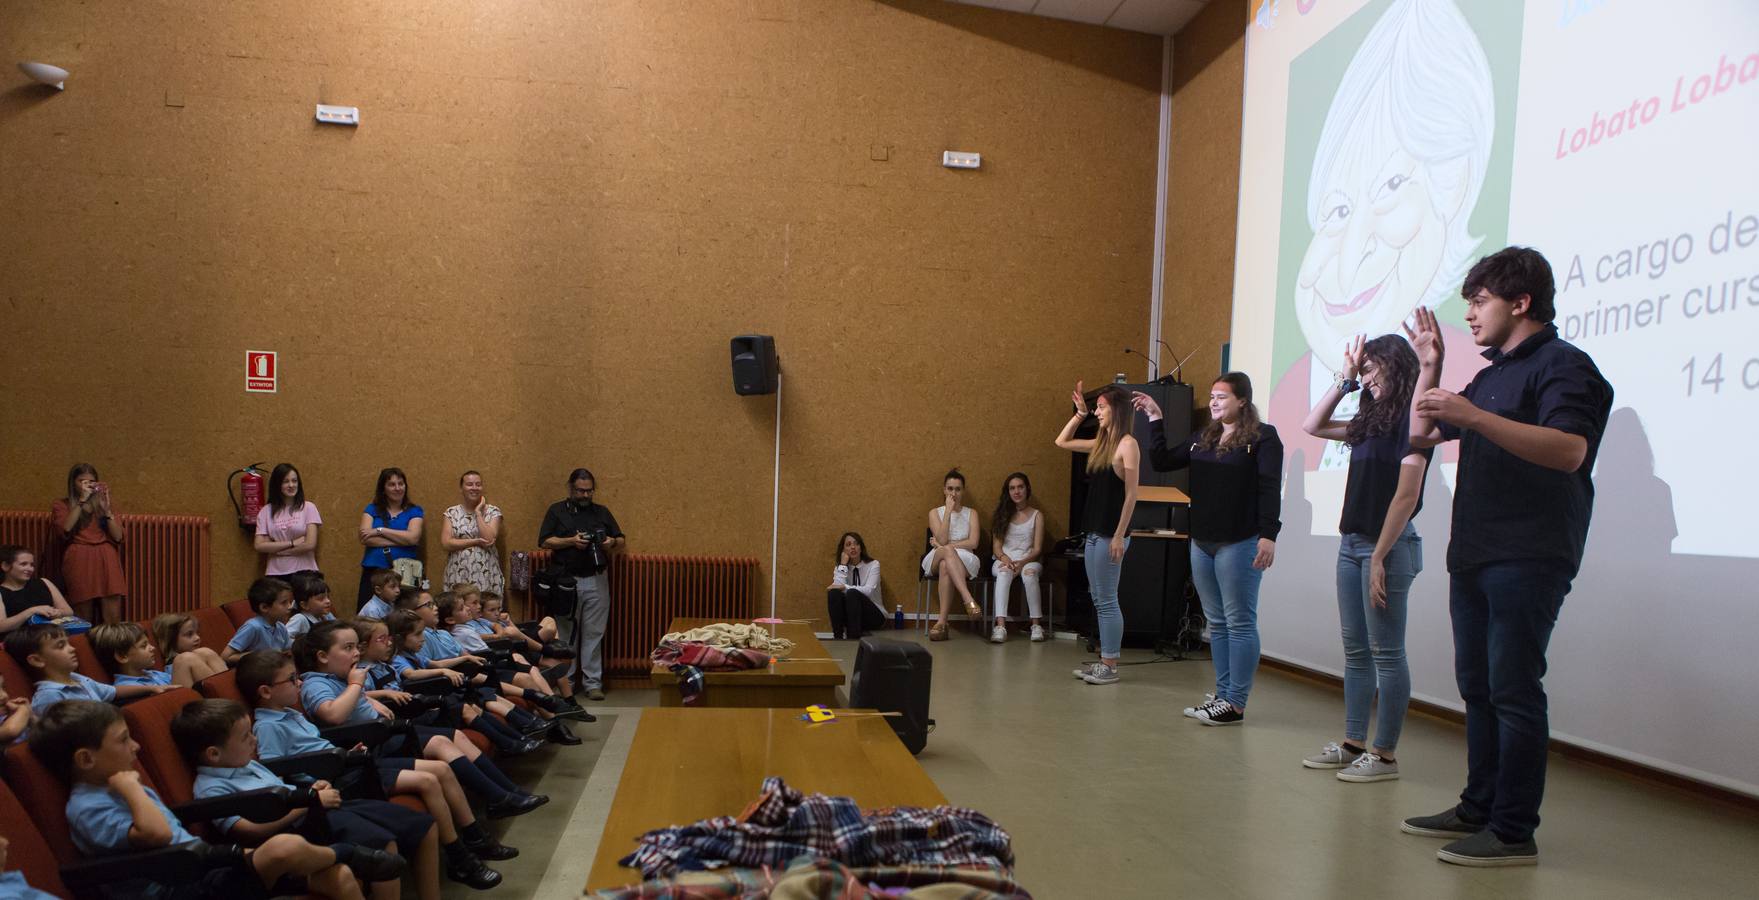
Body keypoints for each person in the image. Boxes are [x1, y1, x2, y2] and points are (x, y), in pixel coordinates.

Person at [1401, 246, 1612, 867]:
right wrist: (1431, 368)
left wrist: (1474, 417)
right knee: (1479, 686)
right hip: (1476, 550)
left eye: (1480, 300)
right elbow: (1419, 435)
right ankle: (1479, 806)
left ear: (1521, 303)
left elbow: (1569, 449)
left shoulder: (1566, 366)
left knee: (1514, 688)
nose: (1469, 313)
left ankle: (1514, 830)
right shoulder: (1491, 376)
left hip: (1530, 551)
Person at [29, 699, 370, 899]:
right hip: (173, 888)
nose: (136, 748)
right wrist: (132, 789)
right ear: (86, 760)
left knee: (339, 878)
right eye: (122, 741)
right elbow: (158, 835)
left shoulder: (114, 784)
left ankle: (343, 858)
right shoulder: (87, 807)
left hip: (198, 866)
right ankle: (349, 851)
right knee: (285, 849)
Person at [236, 651, 506, 889]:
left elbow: (313, 744)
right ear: (265, 691)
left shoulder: (289, 713)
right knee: (427, 778)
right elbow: (277, 770)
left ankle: (467, 845)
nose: (300, 683)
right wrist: (329, 766)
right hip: (334, 778)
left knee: (438, 770)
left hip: (347, 764)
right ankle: (460, 857)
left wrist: (346, 752)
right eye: (292, 679)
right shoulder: (268, 727)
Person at [1300, 334, 1430, 782]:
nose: (1369, 377)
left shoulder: (1415, 419)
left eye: (1374, 369)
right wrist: (1347, 378)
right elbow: (1313, 425)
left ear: (1398, 366)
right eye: (1366, 370)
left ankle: (1385, 756)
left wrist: (1379, 555)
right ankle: (1354, 743)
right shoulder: (1371, 417)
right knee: (1356, 651)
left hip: (1389, 547)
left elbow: (1406, 495)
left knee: (1387, 653)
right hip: (1351, 543)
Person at [173, 698, 434, 900]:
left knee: (421, 824)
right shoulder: (210, 790)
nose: (254, 741)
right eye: (245, 737)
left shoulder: (246, 764)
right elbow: (249, 831)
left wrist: (311, 789)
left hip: (314, 813)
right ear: (214, 754)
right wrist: (306, 802)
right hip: (297, 830)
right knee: (383, 844)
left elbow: (284, 788)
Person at [1136, 373, 1283, 722]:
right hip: (1202, 540)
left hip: (1240, 540)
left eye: (1221, 396)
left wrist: (1269, 534)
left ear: (1242, 401)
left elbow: (1268, 487)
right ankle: (1222, 695)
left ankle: (1236, 702)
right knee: (1216, 622)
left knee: (1240, 622)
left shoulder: (1264, 437)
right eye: (1212, 396)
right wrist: (1156, 418)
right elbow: (1162, 462)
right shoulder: (1204, 436)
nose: (1214, 402)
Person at [1055, 383, 1140, 685]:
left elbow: (1131, 495)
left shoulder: (1127, 444)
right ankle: (1105, 660)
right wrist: (1079, 415)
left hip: (1110, 534)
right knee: (1097, 596)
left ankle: (1110, 663)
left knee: (1106, 599)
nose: (1097, 412)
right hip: (1094, 532)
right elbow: (1062, 442)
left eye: (1102, 407)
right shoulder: (1103, 444)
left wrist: (1119, 535)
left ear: (1117, 409)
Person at [538, 467, 624, 701]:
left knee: (594, 633)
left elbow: (620, 538)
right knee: (566, 634)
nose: (585, 495)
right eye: (580, 491)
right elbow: (545, 541)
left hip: (597, 578)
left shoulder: (601, 512)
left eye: (589, 491)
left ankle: (593, 683)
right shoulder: (556, 511)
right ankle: (568, 681)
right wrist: (570, 541)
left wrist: (610, 542)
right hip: (567, 581)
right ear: (571, 488)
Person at [7, 622, 171, 714]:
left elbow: (114, 691)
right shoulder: (49, 696)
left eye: (69, 643)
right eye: (61, 646)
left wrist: (152, 688)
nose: (72, 649)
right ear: (37, 660)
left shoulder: (78, 679)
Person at [51, 463, 126, 624]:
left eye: (91, 481)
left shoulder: (105, 503)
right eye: (82, 481)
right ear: (73, 483)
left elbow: (118, 536)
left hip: (106, 555)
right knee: (82, 616)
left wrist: (107, 511)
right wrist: (81, 500)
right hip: (79, 554)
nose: (87, 485)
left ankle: (112, 647)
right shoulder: (62, 504)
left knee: (113, 616)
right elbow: (66, 528)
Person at [920, 469, 981, 642]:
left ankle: (941, 623)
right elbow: (942, 538)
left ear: (963, 491)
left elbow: (973, 543)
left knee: (946, 563)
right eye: (950, 488)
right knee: (946, 553)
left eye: (958, 489)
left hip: (965, 558)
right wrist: (947, 511)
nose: (954, 493)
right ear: (944, 490)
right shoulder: (934, 513)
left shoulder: (972, 513)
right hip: (937, 555)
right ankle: (968, 598)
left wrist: (947, 546)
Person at [989, 472, 1046, 643]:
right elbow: (997, 547)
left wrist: (1022, 562)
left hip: (1030, 560)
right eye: (1012, 488)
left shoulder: (1037, 515)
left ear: (1027, 489)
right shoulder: (1001, 514)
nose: (1016, 491)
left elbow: (1037, 549)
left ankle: (1036, 625)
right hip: (1004, 558)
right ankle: (1000, 626)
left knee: (1029, 574)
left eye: (1020, 487)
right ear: (1008, 491)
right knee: (1004, 572)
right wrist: (1005, 558)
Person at [357, 468, 424, 607]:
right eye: (392, 484)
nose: (397, 488)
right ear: (383, 488)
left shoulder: (414, 510)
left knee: (403, 617)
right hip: (374, 572)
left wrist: (380, 530)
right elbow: (365, 537)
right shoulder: (372, 509)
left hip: (405, 573)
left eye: (401, 483)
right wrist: (401, 539)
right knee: (369, 620)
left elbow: (413, 538)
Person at [440, 471, 504, 595]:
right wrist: (475, 541)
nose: (474, 488)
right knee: (457, 609)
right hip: (458, 573)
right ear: (461, 488)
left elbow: (489, 539)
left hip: (486, 573)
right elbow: (446, 543)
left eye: (478, 484)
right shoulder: (451, 512)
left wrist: (478, 512)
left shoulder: (493, 511)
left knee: (486, 610)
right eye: (469, 484)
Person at [254, 463, 322, 579]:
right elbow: (259, 545)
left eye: (294, 481)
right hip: (275, 573)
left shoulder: (308, 507)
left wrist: (279, 550)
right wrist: (292, 543)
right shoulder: (266, 511)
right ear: (277, 484)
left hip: (305, 572)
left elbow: (310, 544)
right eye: (286, 481)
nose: (291, 485)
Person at [0, 545, 74, 636]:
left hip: (52, 636)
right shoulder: (1, 592)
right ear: (5, 566)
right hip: (20, 642)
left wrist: (58, 613)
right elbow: (1, 626)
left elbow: (69, 611)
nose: (30, 569)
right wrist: (32, 611)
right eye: (23, 564)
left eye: (31, 565)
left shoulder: (44, 582)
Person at [223, 577, 296, 664]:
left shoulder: (280, 627)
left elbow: (287, 651)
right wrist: (258, 655)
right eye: (284, 602)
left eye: (290, 602)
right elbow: (225, 657)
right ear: (264, 607)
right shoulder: (253, 627)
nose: (290, 606)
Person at [825, 532, 882, 641]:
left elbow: (868, 591)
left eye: (856, 544)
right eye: (848, 544)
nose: (853, 547)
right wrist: (843, 564)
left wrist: (845, 588)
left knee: (852, 593)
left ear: (861, 548)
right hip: (850, 615)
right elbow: (837, 587)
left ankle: (853, 638)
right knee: (833, 593)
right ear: (843, 550)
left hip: (873, 615)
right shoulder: (840, 567)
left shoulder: (873, 564)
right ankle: (838, 636)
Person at [147, 612, 229, 688]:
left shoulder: (202, 653)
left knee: (206, 652)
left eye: (197, 633)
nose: (197, 638)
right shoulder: (178, 665)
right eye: (189, 634)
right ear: (170, 639)